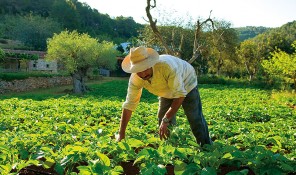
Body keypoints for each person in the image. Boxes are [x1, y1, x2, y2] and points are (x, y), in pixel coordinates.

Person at [117, 46, 212, 146]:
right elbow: (129, 105)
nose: (143, 74)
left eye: (145, 68)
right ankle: (170, 148)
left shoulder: (166, 67)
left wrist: (166, 118)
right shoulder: (135, 79)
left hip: (186, 81)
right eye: (138, 70)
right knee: (162, 118)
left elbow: (180, 95)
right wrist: (121, 134)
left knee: (194, 116)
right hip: (165, 90)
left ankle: (206, 146)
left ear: (150, 64)